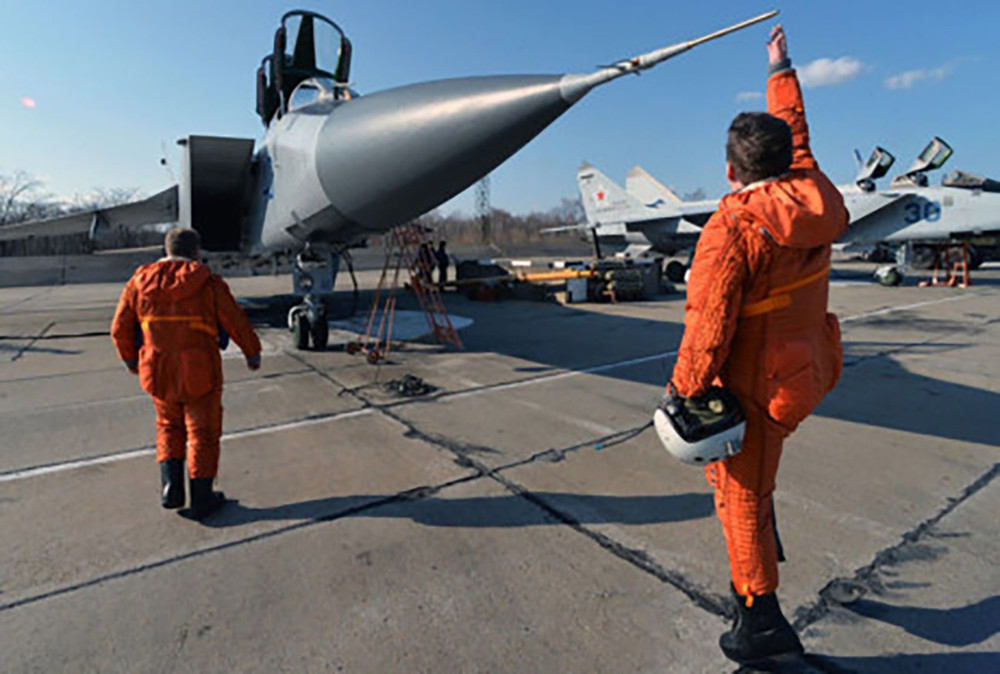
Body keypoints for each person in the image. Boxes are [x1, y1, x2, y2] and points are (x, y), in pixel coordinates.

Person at [669, 25, 848, 665]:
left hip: (760, 388)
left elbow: (707, 325)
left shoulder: (732, 226)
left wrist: (682, 394)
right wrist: (781, 66)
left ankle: (761, 622)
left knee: (739, 496)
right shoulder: (813, 193)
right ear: (785, 159)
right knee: (755, 482)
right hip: (811, 367)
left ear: (730, 170)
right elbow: (797, 130)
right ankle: (762, 566)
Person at [111, 228, 262, 521]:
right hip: (199, 371)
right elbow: (235, 321)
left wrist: (130, 359)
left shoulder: (139, 282)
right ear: (196, 252)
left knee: (168, 426)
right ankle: (202, 498)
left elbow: (119, 328)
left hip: (157, 370)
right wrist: (252, 352)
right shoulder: (208, 282)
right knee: (202, 433)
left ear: (166, 250)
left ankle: (172, 489)